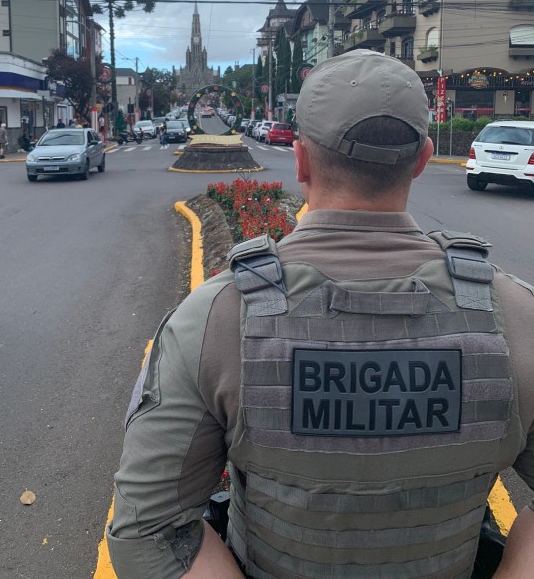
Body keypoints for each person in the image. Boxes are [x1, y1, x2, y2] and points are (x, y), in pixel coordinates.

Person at [108, 50, 534, 579]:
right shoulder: (515, 316)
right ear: (422, 159)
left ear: (301, 159)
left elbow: (145, 535)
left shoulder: (216, 319)